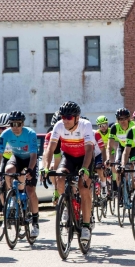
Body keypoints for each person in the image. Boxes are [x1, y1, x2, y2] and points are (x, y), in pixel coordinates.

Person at [40, 101, 96, 242]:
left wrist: (84, 169)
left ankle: (86, 226)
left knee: (84, 188)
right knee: (60, 177)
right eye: (63, 117)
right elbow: (50, 149)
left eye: (69, 117)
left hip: (85, 158)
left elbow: (89, 150)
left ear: (77, 117)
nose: (65, 120)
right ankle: (65, 206)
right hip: (69, 157)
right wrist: (45, 167)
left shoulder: (85, 125)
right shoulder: (59, 126)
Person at [0, 111, 40, 237]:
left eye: (18, 124)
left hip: (30, 159)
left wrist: (30, 169)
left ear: (23, 123)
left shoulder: (30, 133)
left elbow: (34, 154)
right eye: (12, 124)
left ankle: (35, 222)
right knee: (8, 171)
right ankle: (12, 196)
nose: (16, 127)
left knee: (30, 191)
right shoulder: (5, 133)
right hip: (17, 158)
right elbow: (0, 152)